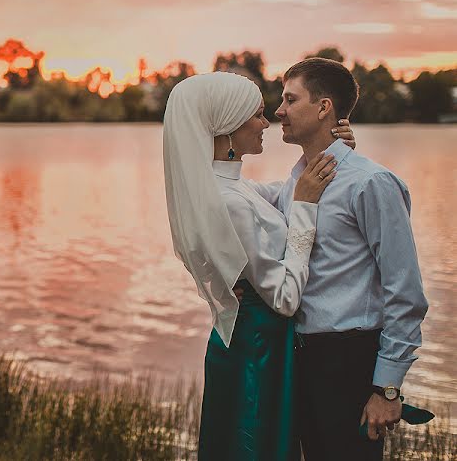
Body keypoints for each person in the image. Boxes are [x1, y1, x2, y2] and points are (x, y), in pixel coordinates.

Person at [163, 71, 352, 460]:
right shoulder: (228, 200)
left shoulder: (234, 188)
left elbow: (286, 193)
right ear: (228, 128)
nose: (266, 122)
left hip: (252, 344)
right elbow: (283, 298)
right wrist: (305, 209)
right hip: (257, 351)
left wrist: (332, 150)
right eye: (257, 115)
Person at [267, 57, 428, 460]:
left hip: (351, 363)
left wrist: (386, 389)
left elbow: (405, 291)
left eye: (290, 99)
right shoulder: (296, 184)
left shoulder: (371, 183)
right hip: (301, 360)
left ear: (324, 108)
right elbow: (237, 198)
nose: (279, 111)